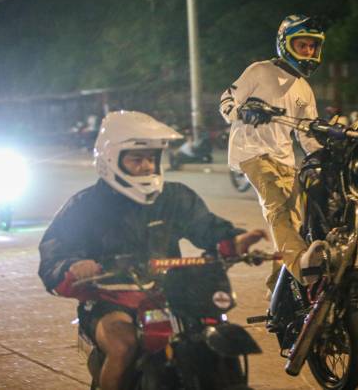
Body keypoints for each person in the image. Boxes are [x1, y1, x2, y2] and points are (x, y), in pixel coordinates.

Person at [38, 111, 267, 390]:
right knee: (123, 346)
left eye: (151, 158)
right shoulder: (85, 206)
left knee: (206, 334)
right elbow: (55, 256)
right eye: (137, 159)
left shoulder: (174, 197)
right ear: (112, 160)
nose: (147, 166)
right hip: (110, 299)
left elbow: (207, 228)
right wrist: (73, 266)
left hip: (171, 292)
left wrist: (236, 241)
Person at [219, 14, 325, 290]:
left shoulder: (305, 89)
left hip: (285, 159)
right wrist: (241, 111)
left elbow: (307, 133)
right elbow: (227, 99)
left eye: (313, 46)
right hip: (252, 152)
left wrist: (324, 154)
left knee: (294, 218)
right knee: (278, 207)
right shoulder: (260, 71)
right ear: (286, 43)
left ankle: (278, 285)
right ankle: (304, 271)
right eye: (303, 45)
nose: (308, 51)